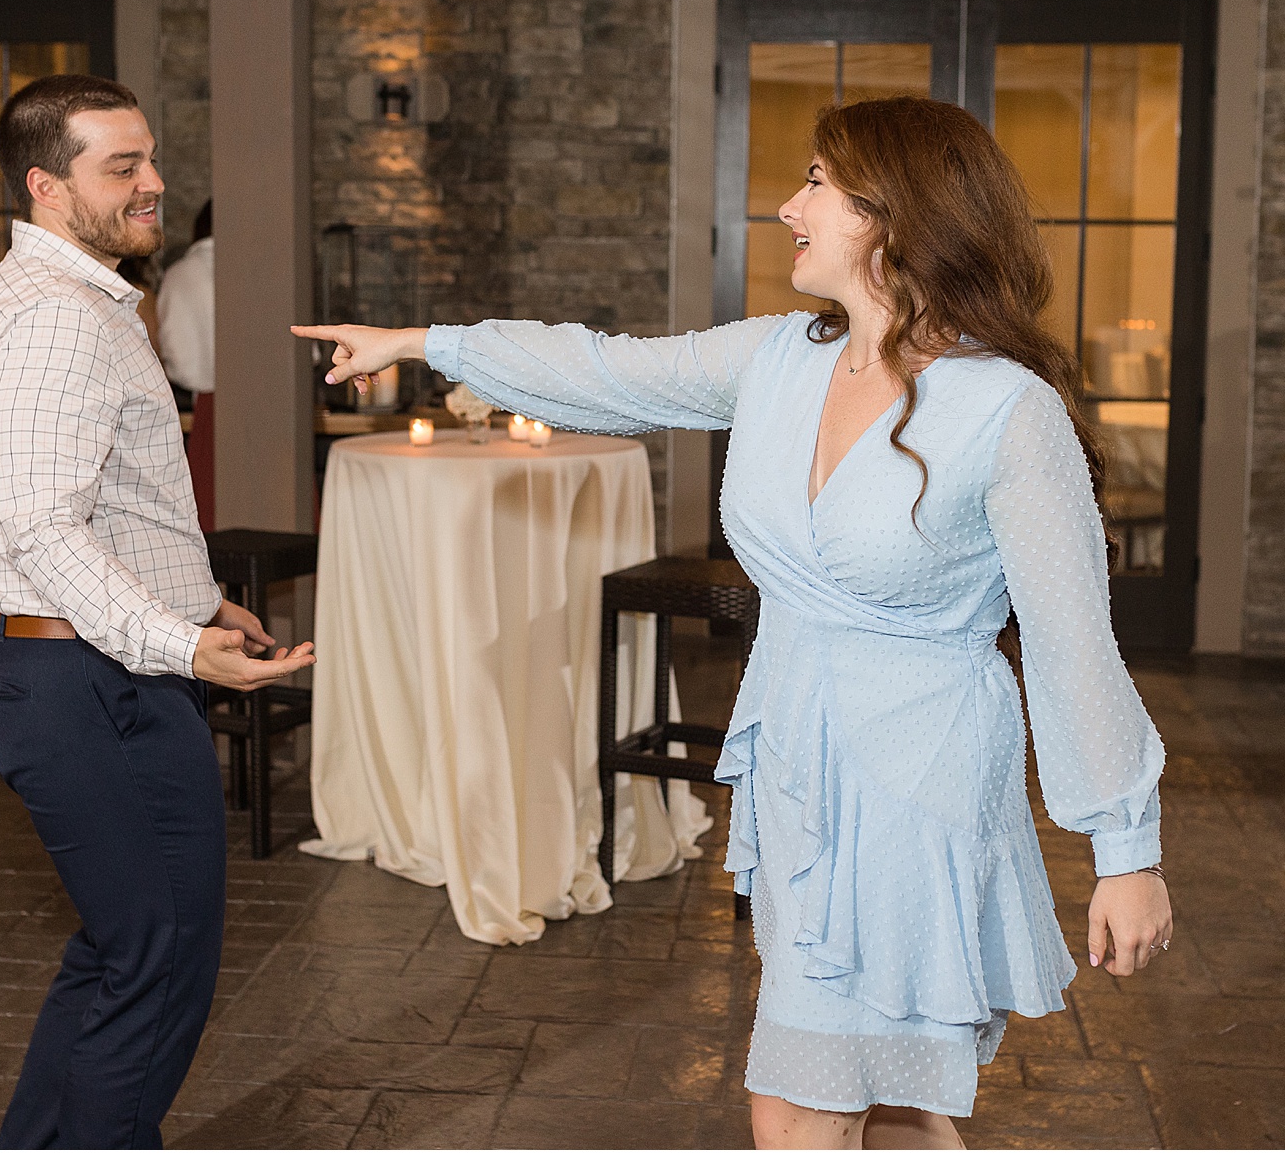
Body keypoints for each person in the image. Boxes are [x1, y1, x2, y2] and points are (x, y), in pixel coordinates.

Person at [296, 96, 1173, 1150]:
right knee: (888, 1094)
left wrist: (1126, 851)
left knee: (803, 1097)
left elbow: (1075, 640)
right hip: (797, 765)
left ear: (891, 217)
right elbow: (608, 370)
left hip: (919, 786)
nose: (784, 205)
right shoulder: (781, 359)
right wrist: (430, 342)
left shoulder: (1006, 411)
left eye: (815, 184)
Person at [0, 73, 315, 1149]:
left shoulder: (80, 303)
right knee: (154, 960)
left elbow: (111, 508)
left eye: (150, 160)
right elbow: (46, 534)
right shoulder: (55, 322)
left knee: (127, 949)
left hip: (98, 667)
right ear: (46, 187)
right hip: (83, 682)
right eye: (123, 168)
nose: (154, 184)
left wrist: (201, 605)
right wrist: (181, 642)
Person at [155, 199, 214, 530]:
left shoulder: (179, 275)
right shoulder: (271, 270)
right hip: (271, 416)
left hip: (201, 409)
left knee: (208, 523)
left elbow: (173, 360)